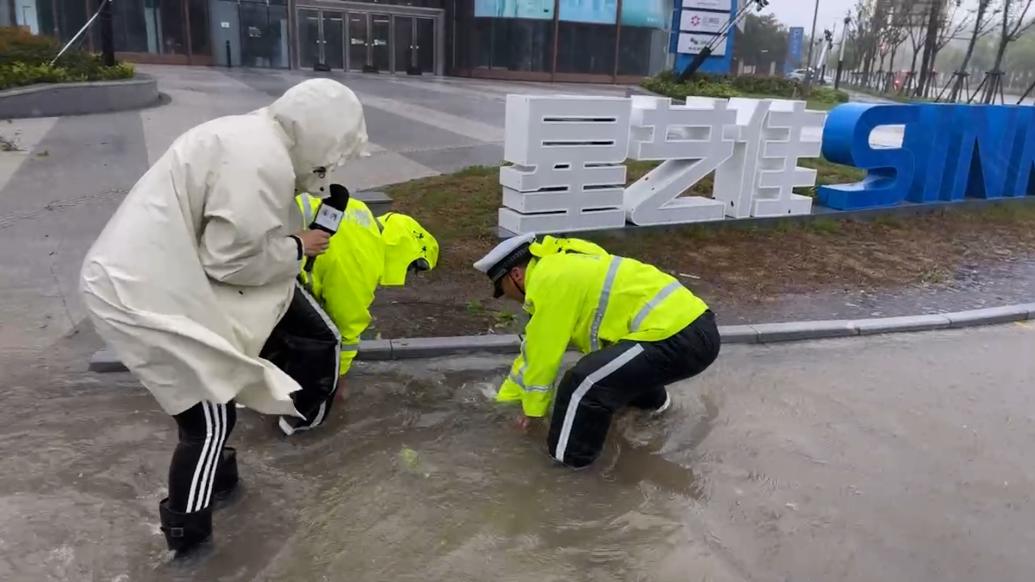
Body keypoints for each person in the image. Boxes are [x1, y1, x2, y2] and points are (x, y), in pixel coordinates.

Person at [80, 79, 368, 554]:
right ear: (320, 133)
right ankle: (188, 540)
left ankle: (222, 486)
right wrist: (300, 245)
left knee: (212, 400)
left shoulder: (253, 138)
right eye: (334, 151)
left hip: (152, 280)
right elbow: (230, 261)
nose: (331, 164)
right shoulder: (259, 158)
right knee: (208, 420)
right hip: (144, 295)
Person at [473, 234, 721, 469]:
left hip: (677, 335)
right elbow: (531, 351)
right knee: (609, 369)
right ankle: (653, 413)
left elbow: (542, 355)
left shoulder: (548, 280)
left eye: (503, 289)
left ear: (516, 274)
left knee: (582, 383)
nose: (508, 298)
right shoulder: (565, 260)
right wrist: (504, 401)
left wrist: (532, 413)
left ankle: (567, 470)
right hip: (691, 329)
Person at [274, 193, 439, 436]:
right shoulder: (367, 255)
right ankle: (299, 431)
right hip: (280, 269)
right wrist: (338, 379)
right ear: (407, 255)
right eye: (412, 269)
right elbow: (347, 323)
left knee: (287, 346)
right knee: (324, 348)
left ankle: (272, 399)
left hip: (270, 245)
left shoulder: (361, 215)